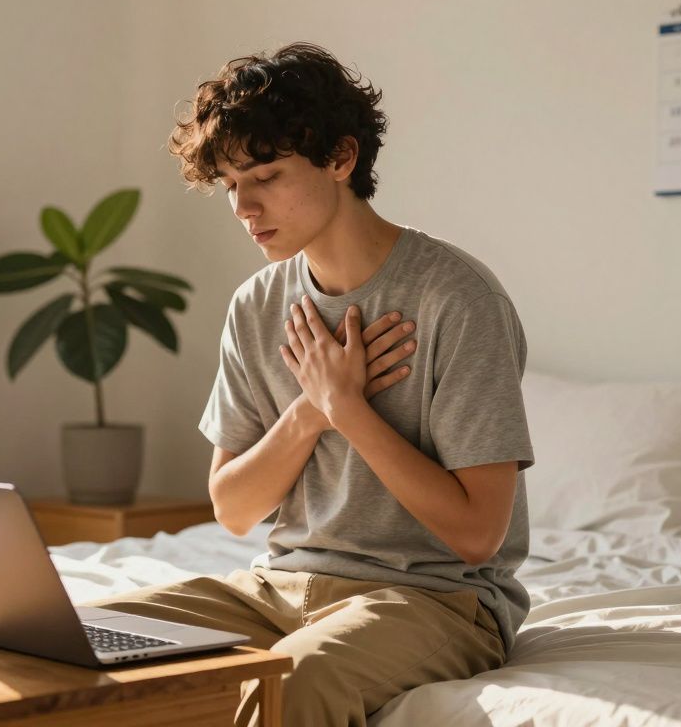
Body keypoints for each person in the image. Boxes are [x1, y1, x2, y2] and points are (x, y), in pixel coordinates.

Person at [81, 41, 535, 726]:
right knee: (74, 640)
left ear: (341, 158)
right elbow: (233, 508)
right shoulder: (257, 305)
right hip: (278, 589)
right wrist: (311, 410)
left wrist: (350, 410)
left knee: (292, 682)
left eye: (265, 175)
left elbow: (478, 535)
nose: (244, 206)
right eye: (230, 185)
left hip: (435, 600)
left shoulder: (457, 299)